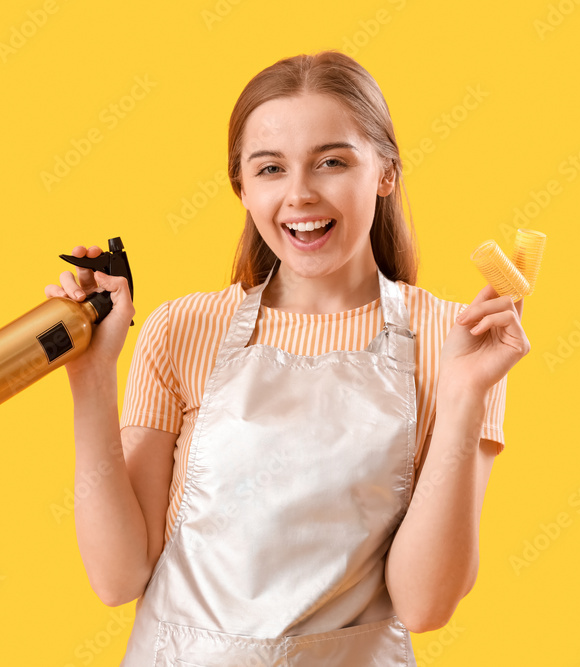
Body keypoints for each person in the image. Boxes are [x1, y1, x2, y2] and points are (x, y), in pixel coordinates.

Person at [44, 50, 530, 666]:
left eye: (331, 162)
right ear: (242, 188)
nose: (300, 194)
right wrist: (91, 377)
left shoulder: (454, 339)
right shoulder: (182, 329)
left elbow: (425, 605)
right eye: (270, 168)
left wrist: (465, 397)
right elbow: (117, 578)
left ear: (385, 171)